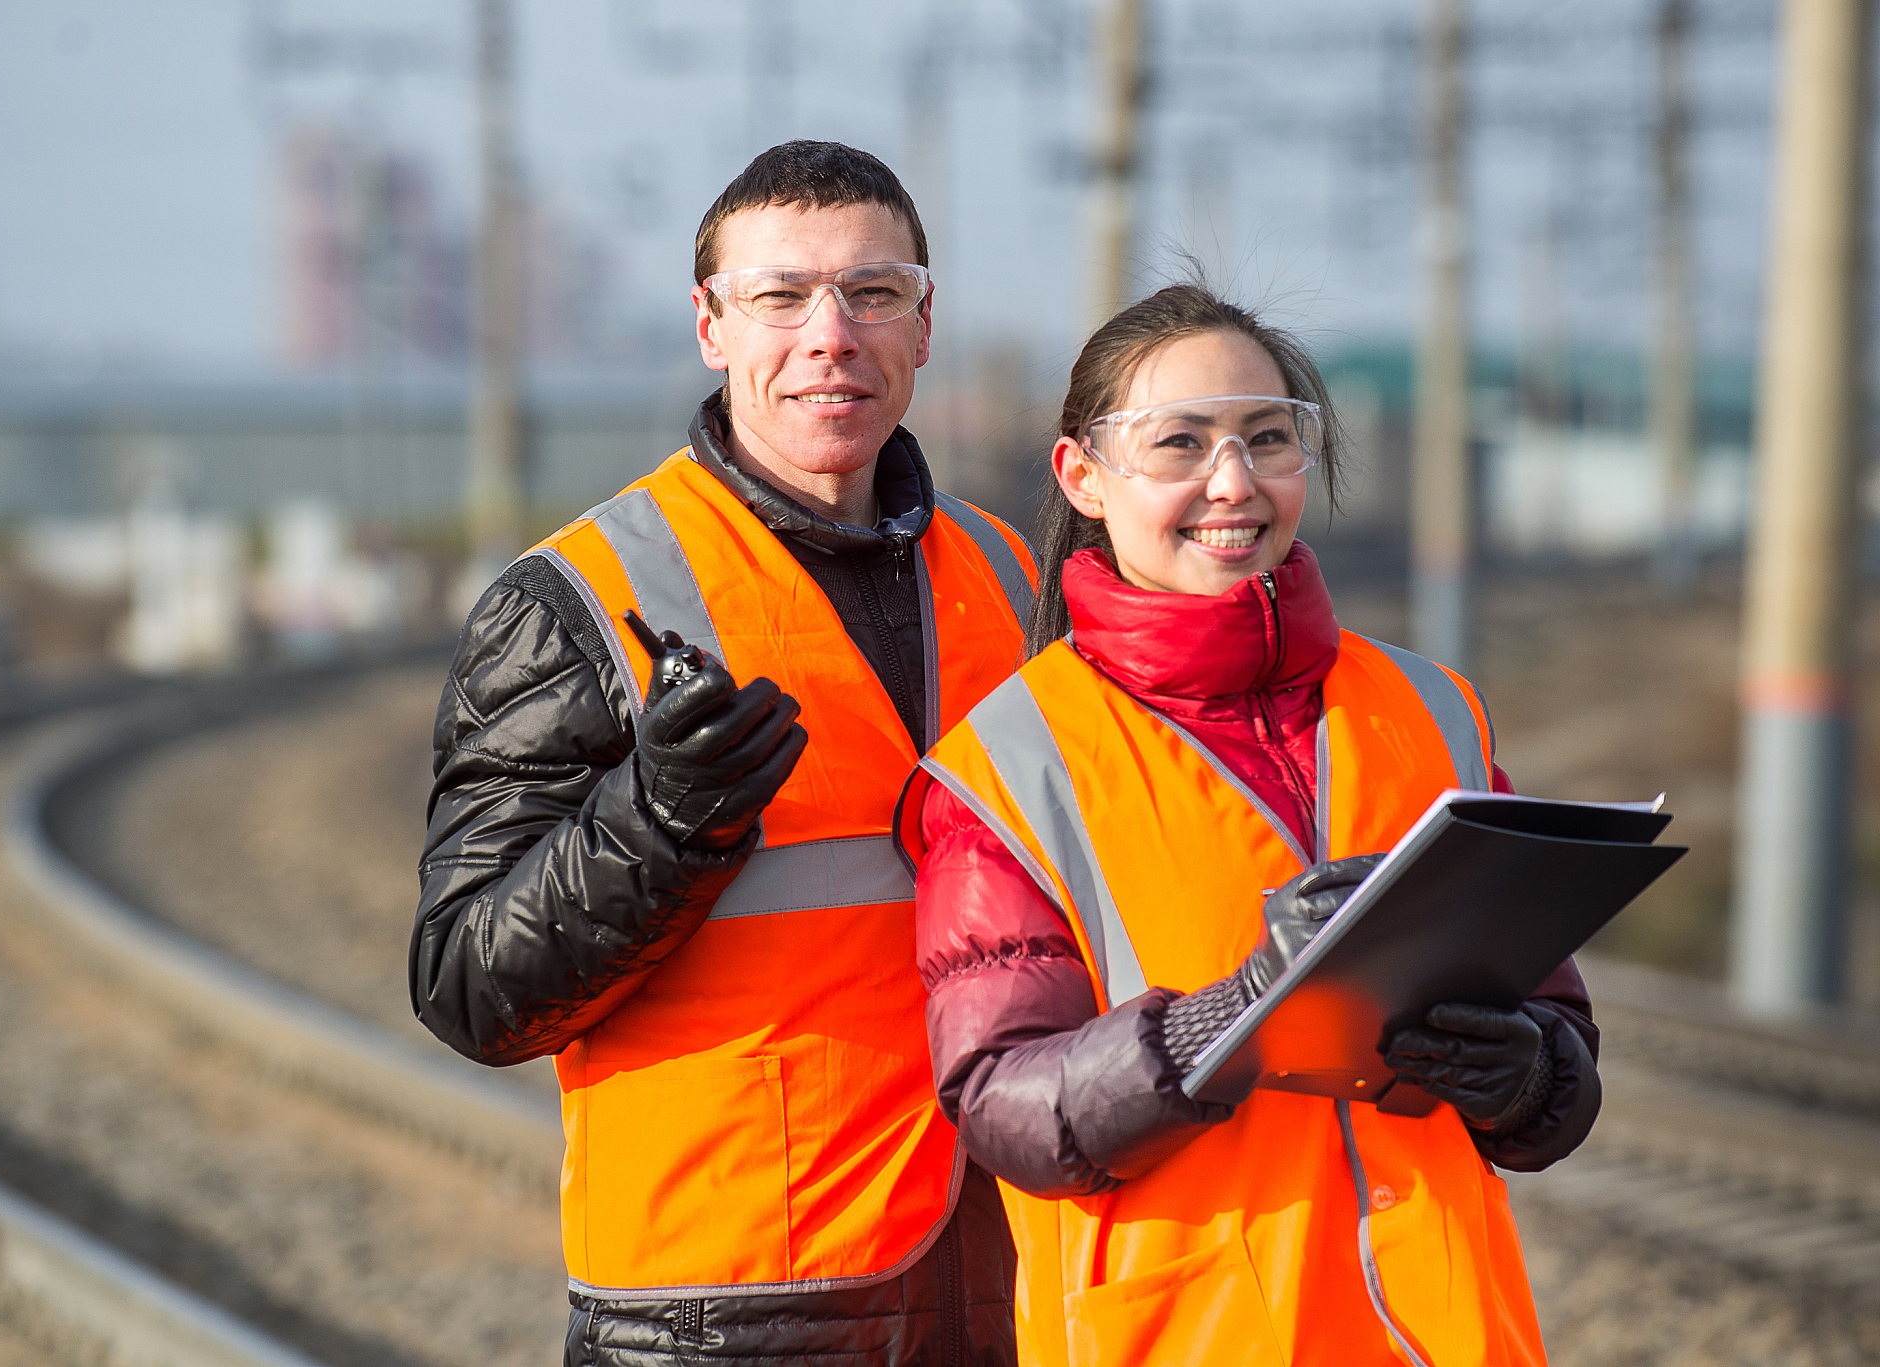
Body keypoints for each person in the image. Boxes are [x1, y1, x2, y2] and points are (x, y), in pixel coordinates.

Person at [410, 141, 1035, 1367]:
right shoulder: (578, 599)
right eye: (778, 294)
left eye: (872, 292)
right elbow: (468, 984)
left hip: (1003, 1275)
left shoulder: (1010, 576)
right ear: (708, 323)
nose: (830, 334)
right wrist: (657, 825)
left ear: (925, 323)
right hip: (722, 1311)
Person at [895, 282, 1599, 1366]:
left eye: (1266, 439)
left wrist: (1525, 1076)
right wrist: (1229, 1017)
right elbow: (1002, 1103)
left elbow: (1557, 1043)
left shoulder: (1432, 712)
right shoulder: (1009, 766)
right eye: (1176, 442)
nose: (1231, 481)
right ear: (1081, 476)